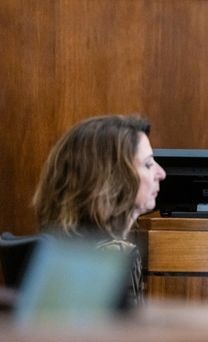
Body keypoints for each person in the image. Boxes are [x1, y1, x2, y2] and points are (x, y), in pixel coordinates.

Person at [32, 115, 166, 306]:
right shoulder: (111, 259)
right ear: (112, 178)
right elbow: (125, 336)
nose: (161, 173)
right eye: (148, 164)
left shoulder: (61, 255)